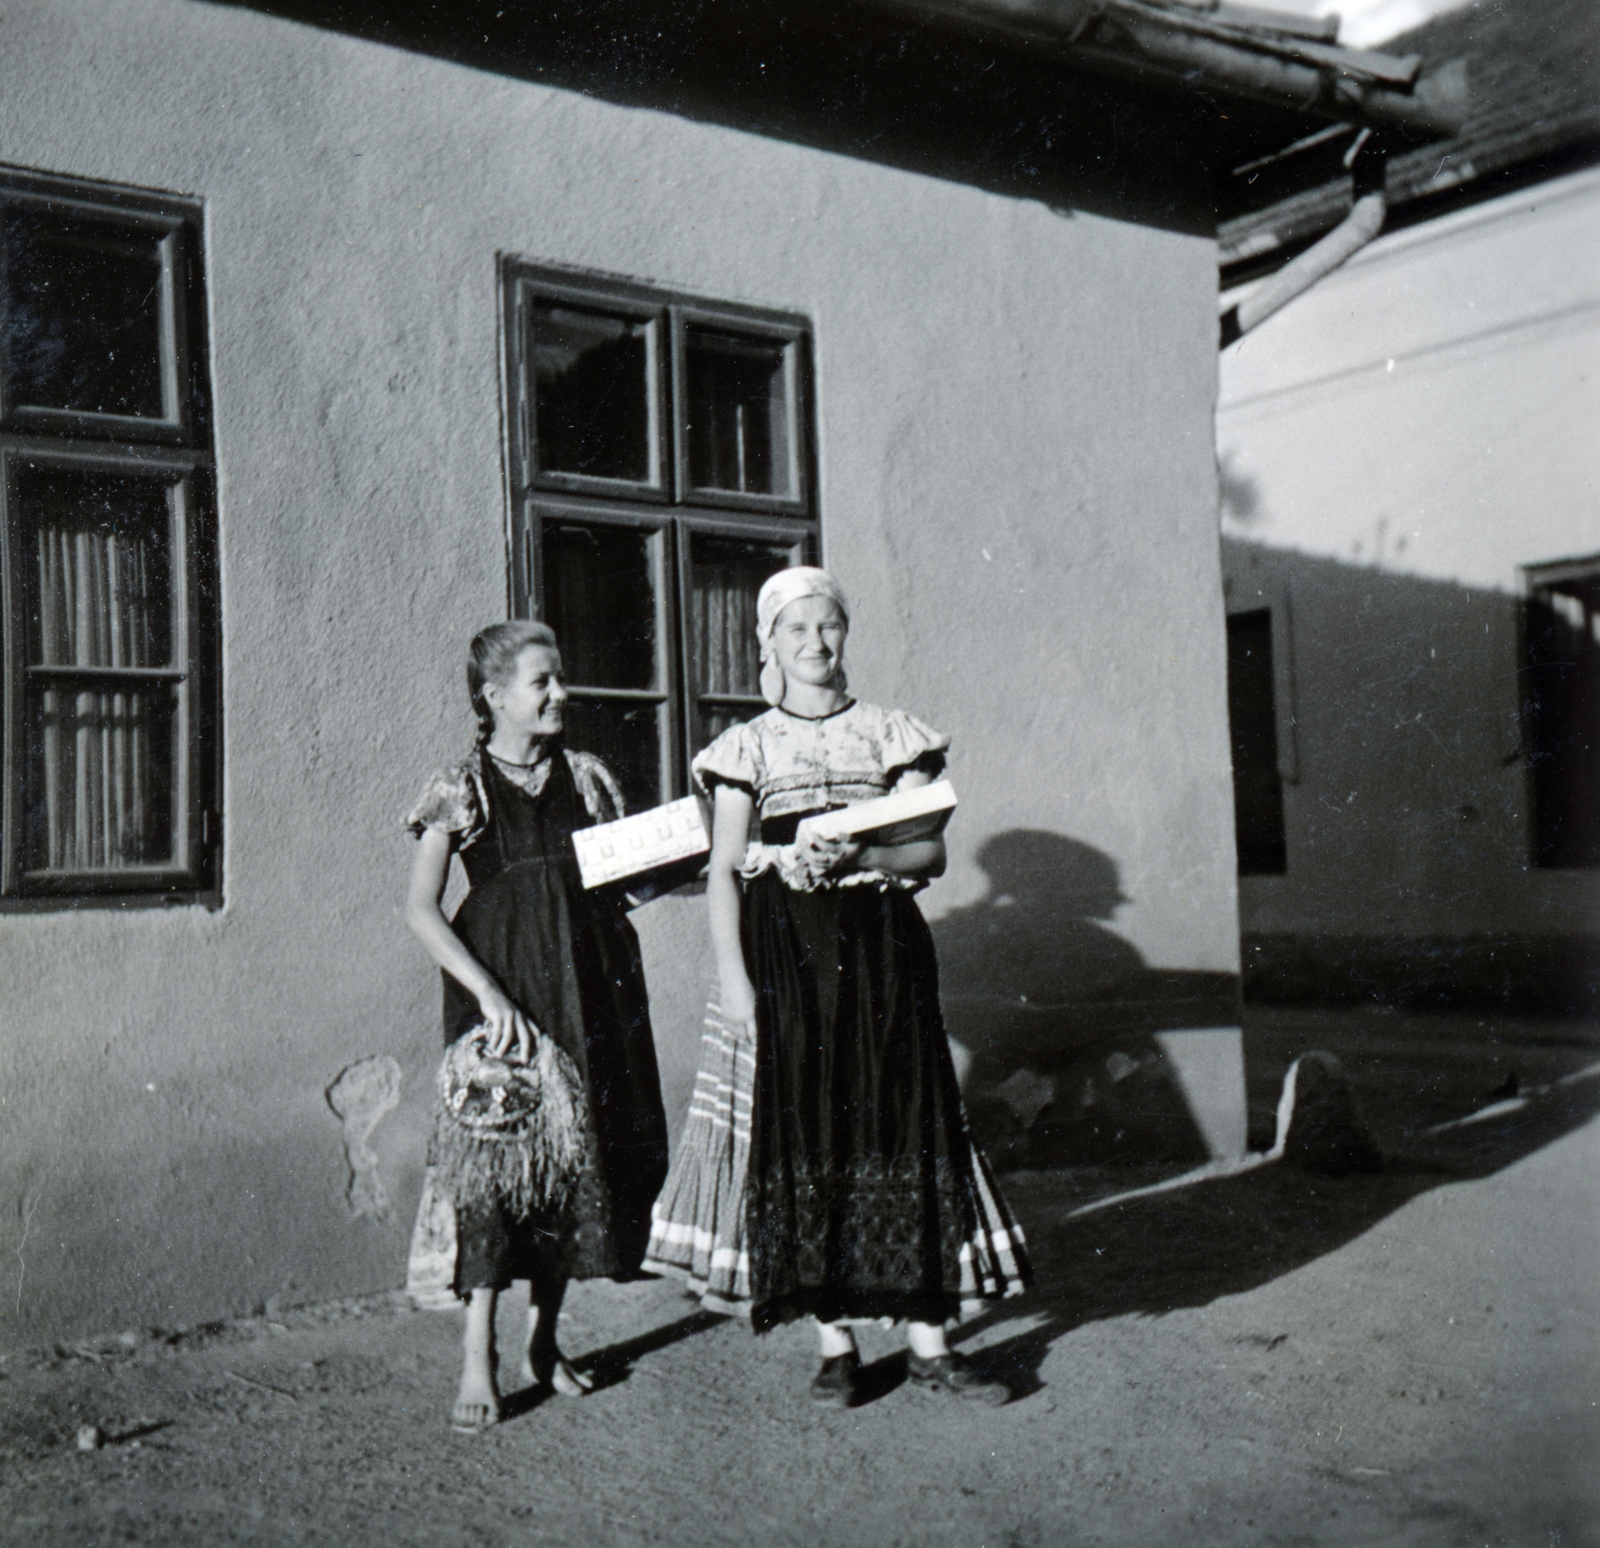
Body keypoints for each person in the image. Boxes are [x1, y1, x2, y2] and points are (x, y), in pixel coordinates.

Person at [647, 567, 1028, 1406]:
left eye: (829, 628)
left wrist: (861, 854)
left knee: (901, 1122)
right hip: (788, 957)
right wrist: (737, 986)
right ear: (769, 646)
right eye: (797, 631)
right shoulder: (745, 748)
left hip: (883, 952)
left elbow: (927, 853)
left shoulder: (890, 733)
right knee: (809, 1128)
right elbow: (722, 874)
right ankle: (836, 1342)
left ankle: (931, 1342)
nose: (816, 644)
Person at [404, 620, 668, 1432]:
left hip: (589, 991)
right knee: (497, 1170)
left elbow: (626, 888)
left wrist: (668, 859)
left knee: (571, 1160)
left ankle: (544, 1343)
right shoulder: (462, 786)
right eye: (541, 681)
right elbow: (420, 909)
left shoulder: (587, 778)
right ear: (494, 696)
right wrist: (487, 996)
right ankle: (478, 1354)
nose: (560, 693)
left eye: (561, 678)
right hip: (504, 999)